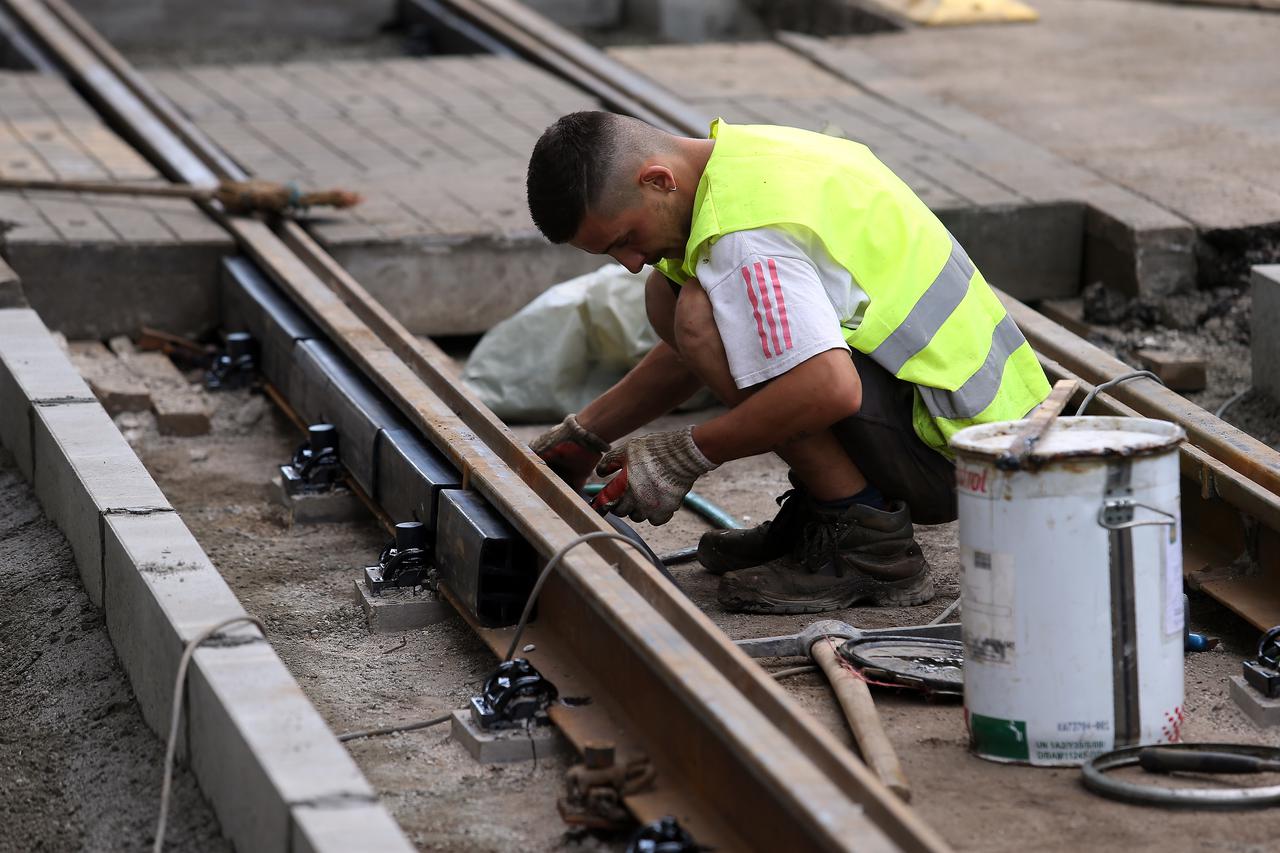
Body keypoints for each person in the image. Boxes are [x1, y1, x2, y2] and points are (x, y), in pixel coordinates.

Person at [524, 111, 1049, 615]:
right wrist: (586, 434)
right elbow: (715, 352)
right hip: (969, 419)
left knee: (698, 313)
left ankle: (865, 540)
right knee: (672, 290)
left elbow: (828, 389)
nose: (630, 262)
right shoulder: (743, 161)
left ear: (658, 180)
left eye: (624, 240)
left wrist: (685, 454)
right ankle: (828, 509)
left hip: (954, 453)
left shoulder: (745, 239)